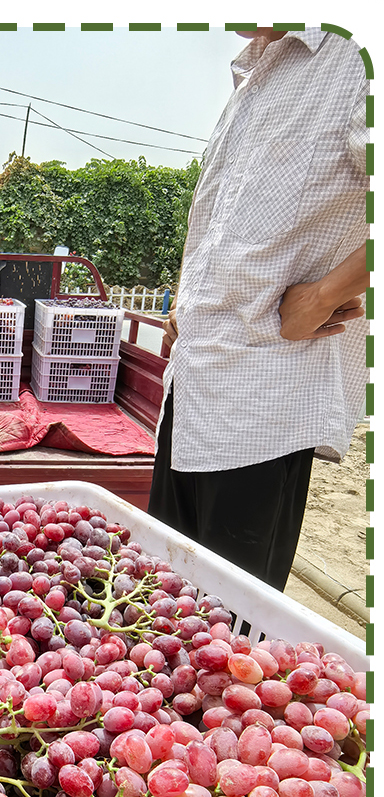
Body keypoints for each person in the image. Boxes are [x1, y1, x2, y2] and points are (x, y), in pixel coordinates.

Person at [148, 28, 369, 591]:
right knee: (162, 599)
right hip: (192, 390)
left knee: (231, 624)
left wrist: (324, 295)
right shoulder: (252, 75)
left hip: (265, 404)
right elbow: (219, 217)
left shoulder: (353, 58)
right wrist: (188, 298)